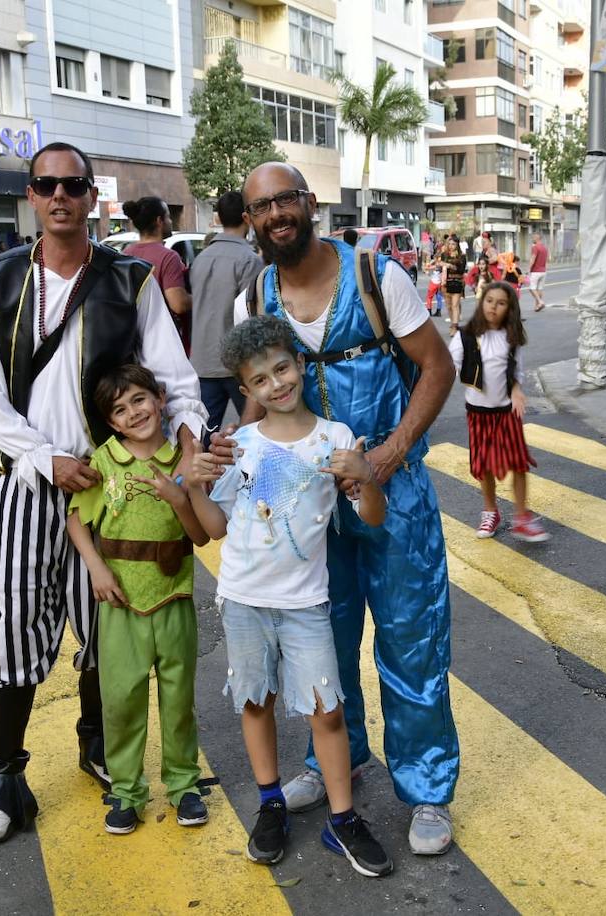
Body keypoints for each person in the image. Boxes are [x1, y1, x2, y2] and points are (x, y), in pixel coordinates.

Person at [0, 142, 206, 845]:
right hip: (34, 484)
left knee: (109, 621)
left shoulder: (129, 279)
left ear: (91, 195)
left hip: (115, 484)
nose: (60, 195)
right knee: (15, 623)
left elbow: (174, 377)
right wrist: (44, 458)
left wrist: (187, 437)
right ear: (31, 195)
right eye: (47, 184)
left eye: (73, 185)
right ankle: (2, 774)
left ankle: (101, 747)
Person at [221, 161, 459, 855]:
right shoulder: (256, 296)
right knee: (321, 641)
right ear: (253, 218)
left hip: (393, 494)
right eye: (262, 206)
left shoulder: (376, 276)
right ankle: (336, 764)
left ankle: (426, 787)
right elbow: (256, 401)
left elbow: (437, 368)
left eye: (286, 200)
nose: (275, 215)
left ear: (310, 202)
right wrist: (234, 462)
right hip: (306, 511)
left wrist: (386, 455)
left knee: (411, 641)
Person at [186, 317, 392, 877]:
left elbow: (371, 518)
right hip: (243, 597)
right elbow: (215, 528)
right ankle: (270, 803)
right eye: (259, 379)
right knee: (256, 702)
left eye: (282, 368)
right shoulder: (240, 445)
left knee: (327, 710)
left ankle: (343, 818)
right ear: (245, 390)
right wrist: (192, 483)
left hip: (306, 604)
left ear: (300, 365)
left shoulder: (337, 439)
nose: (276, 384)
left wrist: (366, 476)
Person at [64, 364, 210, 835]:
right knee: (121, 699)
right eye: (120, 409)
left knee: (178, 697)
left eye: (140, 401)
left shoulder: (184, 461)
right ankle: (126, 790)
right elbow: (76, 520)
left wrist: (179, 498)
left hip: (174, 598)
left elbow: (200, 537)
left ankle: (184, 785)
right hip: (119, 603)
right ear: (111, 422)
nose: (133, 413)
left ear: (160, 399)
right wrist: (96, 568)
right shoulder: (103, 462)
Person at [448, 281, 547, 541]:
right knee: (485, 467)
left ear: (509, 308)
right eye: (489, 300)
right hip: (478, 414)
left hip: (506, 412)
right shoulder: (464, 336)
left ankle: (522, 516)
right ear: (482, 303)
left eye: (501, 303)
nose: (493, 306)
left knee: (518, 463)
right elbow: (449, 367)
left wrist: (516, 390)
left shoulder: (511, 338)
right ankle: (491, 511)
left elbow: (516, 372)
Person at [189, 190, 262, 445]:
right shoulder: (249, 260)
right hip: (236, 364)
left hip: (202, 361)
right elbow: (252, 317)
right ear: (247, 217)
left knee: (206, 439)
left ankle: (207, 486)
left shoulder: (201, 258)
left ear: (218, 217)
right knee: (250, 438)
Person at [122, 197, 192, 352]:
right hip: (162, 342)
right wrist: (199, 299)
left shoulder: (126, 254)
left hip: (133, 340)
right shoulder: (168, 257)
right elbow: (178, 304)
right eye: (168, 216)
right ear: (159, 221)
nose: (171, 221)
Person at [440, 236, 468, 333]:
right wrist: (441, 265)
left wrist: (451, 266)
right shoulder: (444, 255)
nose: (451, 246)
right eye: (450, 244)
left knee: (455, 305)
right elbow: (440, 267)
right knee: (448, 306)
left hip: (457, 282)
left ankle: (455, 327)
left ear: (457, 245)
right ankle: (452, 323)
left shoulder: (462, 256)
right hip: (446, 283)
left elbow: (461, 270)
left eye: (453, 244)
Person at [528, 236, 548, 311]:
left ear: (537, 238)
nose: (532, 239)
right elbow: (547, 260)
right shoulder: (545, 248)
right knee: (539, 289)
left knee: (531, 288)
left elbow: (533, 258)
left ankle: (540, 302)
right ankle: (537, 306)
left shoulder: (535, 247)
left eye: (533, 238)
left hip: (536, 271)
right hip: (543, 271)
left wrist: (529, 269)